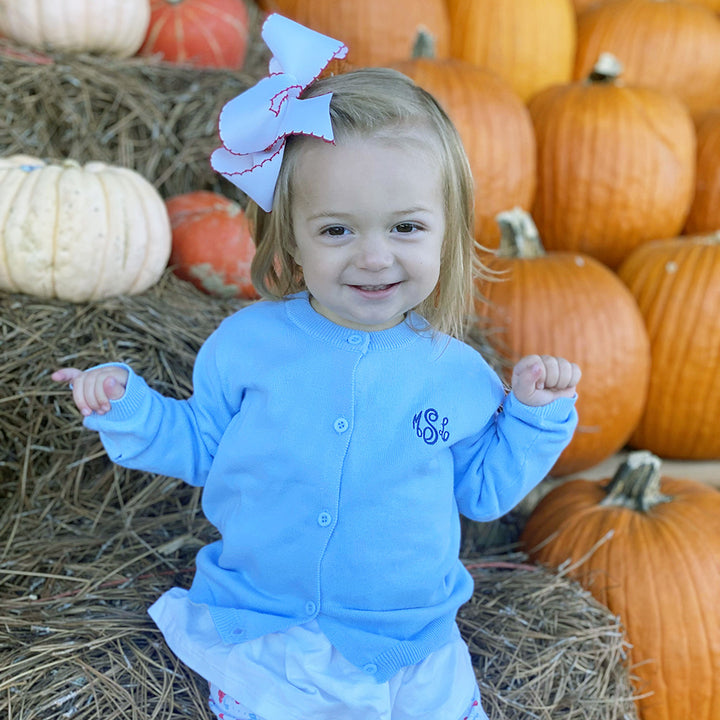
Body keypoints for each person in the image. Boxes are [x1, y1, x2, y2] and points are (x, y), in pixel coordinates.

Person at [52, 14, 581, 720]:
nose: (372, 255)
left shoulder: (457, 373)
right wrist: (129, 405)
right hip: (265, 625)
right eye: (337, 230)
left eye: (405, 227)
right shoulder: (247, 346)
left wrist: (534, 419)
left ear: (447, 233)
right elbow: (204, 446)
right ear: (292, 240)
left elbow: (484, 493)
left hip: (407, 638)